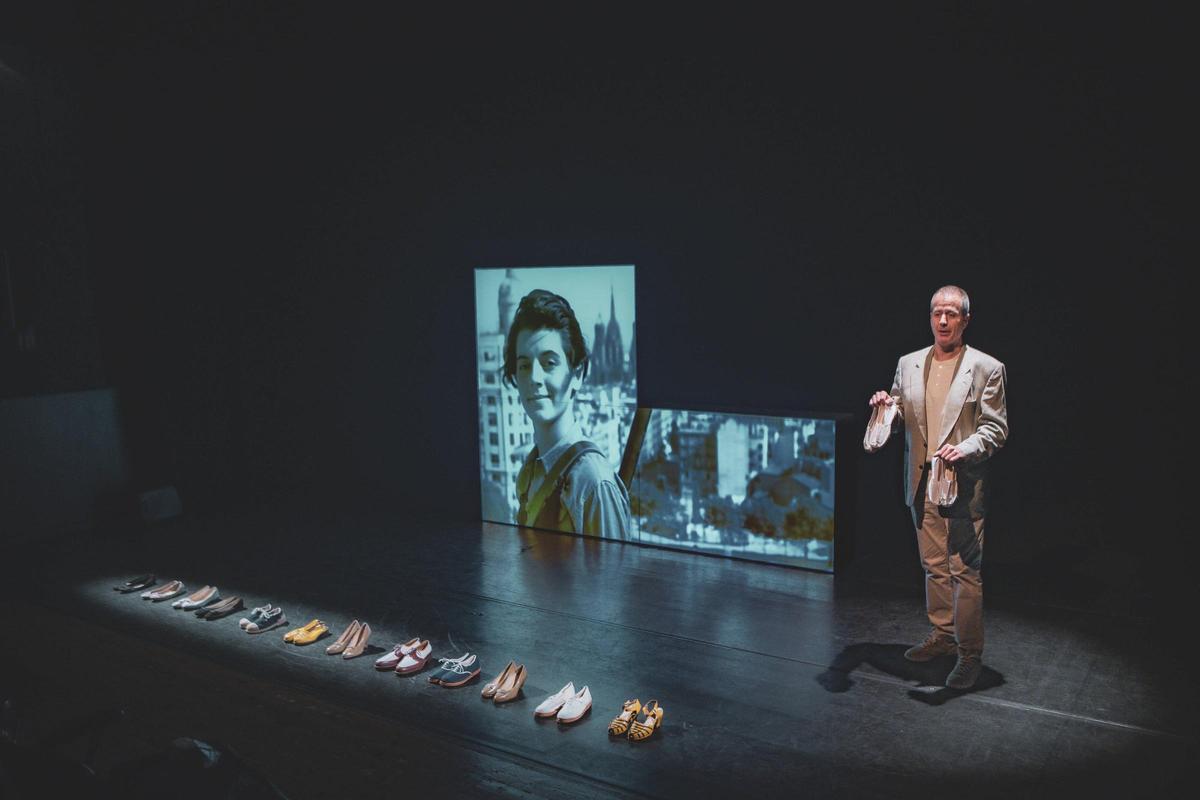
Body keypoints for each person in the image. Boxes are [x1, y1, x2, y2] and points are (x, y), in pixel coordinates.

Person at [867, 285, 1008, 689]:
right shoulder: (909, 363)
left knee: (965, 571)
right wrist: (884, 408)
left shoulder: (986, 367)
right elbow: (897, 413)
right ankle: (943, 637)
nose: (943, 320)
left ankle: (969, 655)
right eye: (936, 313)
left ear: (965, 318)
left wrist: (963, 450)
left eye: (951, 313)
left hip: (961, 484)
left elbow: (995, 429)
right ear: (929, 317)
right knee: (933, 567)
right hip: (920, 482)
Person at [503, 289, 632, 539]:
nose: (534, 378)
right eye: (524, 365)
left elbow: (613, 578)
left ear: (577, 375)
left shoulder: (593, 484)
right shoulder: (529, 472)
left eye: (549, 363)